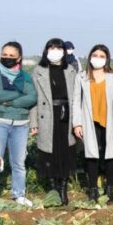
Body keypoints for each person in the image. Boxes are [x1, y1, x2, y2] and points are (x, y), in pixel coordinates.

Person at [0, 41, 38, 214]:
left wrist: (9, 101)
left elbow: (33, 97)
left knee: (19, 163)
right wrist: (20, 96)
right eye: (5, 54)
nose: (7, 58)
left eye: (12, 56)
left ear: (19, 57)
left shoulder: (25, 77)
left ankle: (19, 194)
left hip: (21, 124)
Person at [72, 44, 113, 203]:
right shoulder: (81, 77)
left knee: (111, 155)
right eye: (95, 55)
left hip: (110, 121)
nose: (98, 59)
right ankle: (92, 188)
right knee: (91, 155)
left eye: (102, 56)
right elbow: (76, 101)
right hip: (89, 120)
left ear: (107, 59)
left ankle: (109, 188)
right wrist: (77, 123)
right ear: (90, 57)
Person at [30, 38, 78, 206]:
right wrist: (33, 122)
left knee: (65, 151)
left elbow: (76, 98)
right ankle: (53, 189)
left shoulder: (70, 70)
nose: (55, 51)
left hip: (66, 115)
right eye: (51, 48)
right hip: (46, 115)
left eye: (59, 48)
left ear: (64, 52)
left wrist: (77, 121)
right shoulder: (38, 70)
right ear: (46, 51)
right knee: (49, 152)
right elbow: (33, 98)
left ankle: (63, 189)